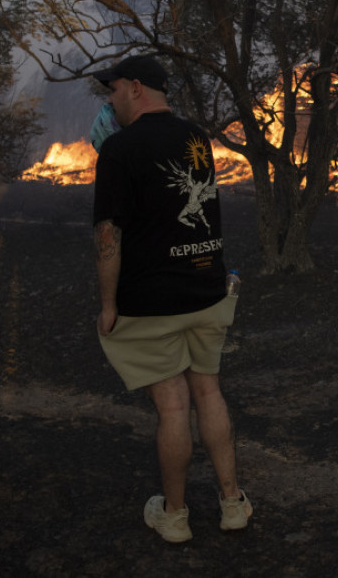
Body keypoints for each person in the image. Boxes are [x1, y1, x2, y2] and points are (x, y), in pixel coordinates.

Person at [91, 53, 251, 544]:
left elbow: (108, 236)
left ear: (135, 87)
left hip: (152, 300)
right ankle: (232, 504)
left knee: (174, 409)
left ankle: (175, 515)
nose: (110, 99)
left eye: (113, 89)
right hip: (206, 287)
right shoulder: (196, 136)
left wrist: (109, 304)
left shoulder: (118, 150)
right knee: (209, 393)